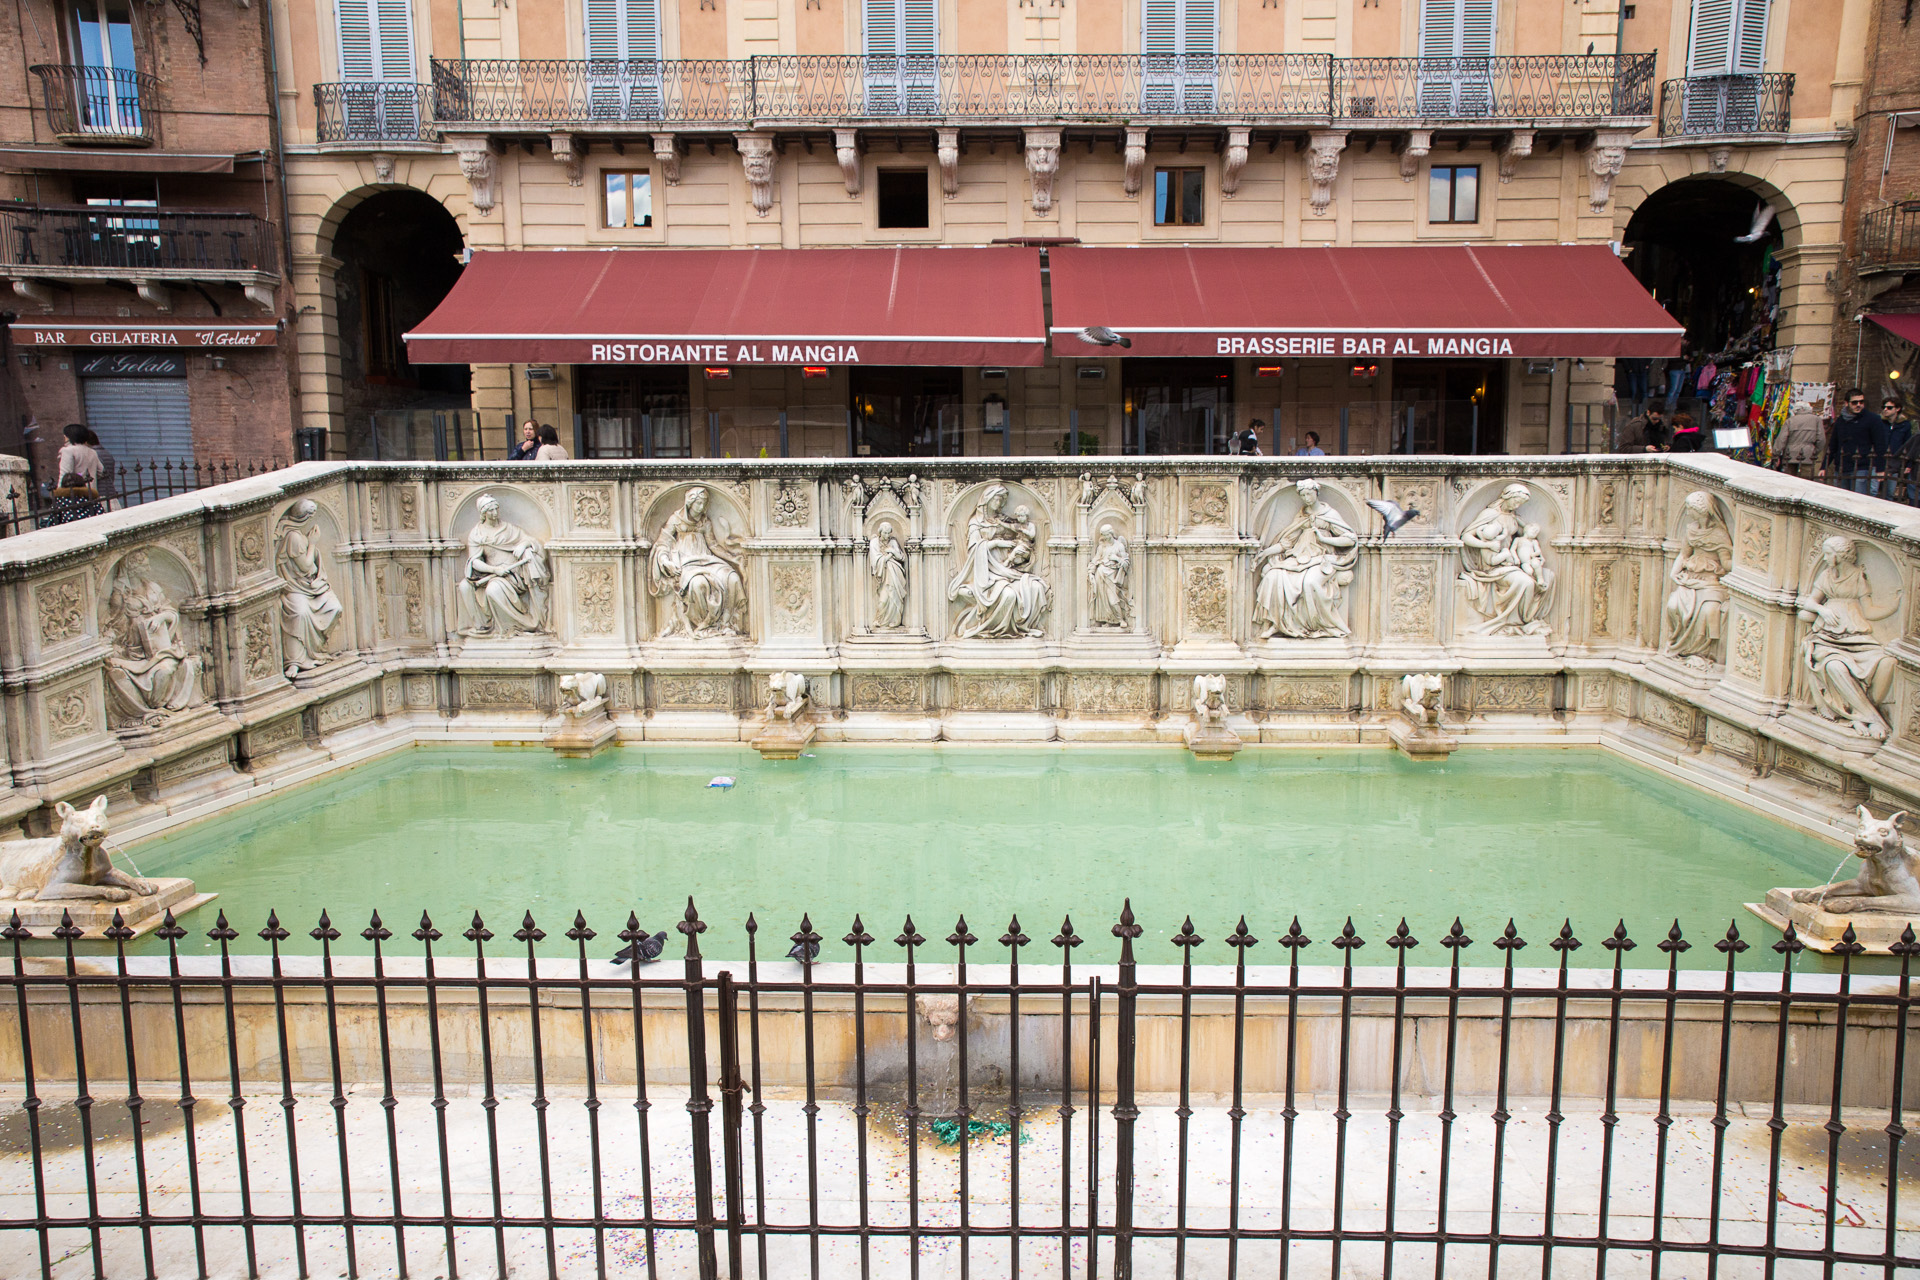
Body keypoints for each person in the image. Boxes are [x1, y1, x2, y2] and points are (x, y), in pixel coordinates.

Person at [1826, 388, 1887, 494]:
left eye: (1861, 402)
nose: (1858, 405)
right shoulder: (1840, 421)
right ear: (1846, 403)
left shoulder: (1873, 419)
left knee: (1858, 498)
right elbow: (1833, 444)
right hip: (1841, 466)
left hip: (1861, 466)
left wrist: (1880, 468)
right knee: (1840, 499)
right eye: (1854, 402)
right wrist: (1824, 466)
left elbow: (1880, 444)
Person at [47, 423, 104, 525]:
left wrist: (59, 495)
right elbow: (101, 470)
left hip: (74, 496)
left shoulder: (68, 451)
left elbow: (64, 474)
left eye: (65, 435)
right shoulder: (92, 452)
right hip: (91, 492)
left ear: (69, 436)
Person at [1883, 397, 1911, 500]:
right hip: (1879, 460)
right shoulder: (1880, 422)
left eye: (1889, 407)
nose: (1885, 409)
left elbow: (1908, 444)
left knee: (1890, 492)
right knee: (1872, 490)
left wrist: (1908, 464)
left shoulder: (1904, 425)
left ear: (1897, 409)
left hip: (1894, 462)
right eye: (1884, 407)